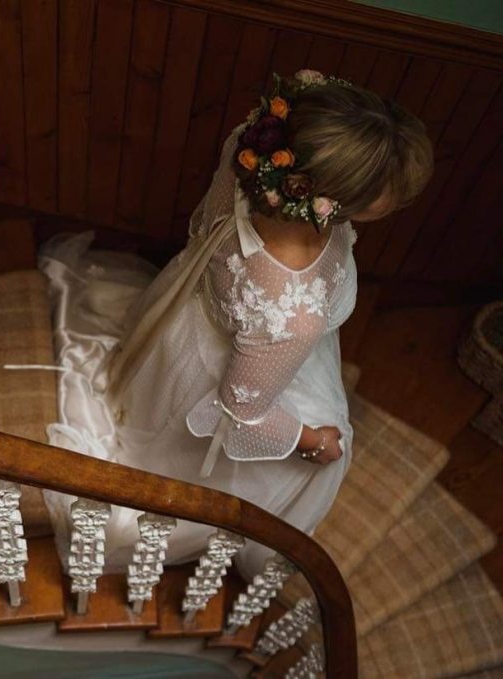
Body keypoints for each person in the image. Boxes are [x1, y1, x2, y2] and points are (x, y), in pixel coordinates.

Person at [38, 69, 435, 580]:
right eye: (389, 194)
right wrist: (312, 442)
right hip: (243, 366)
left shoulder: (249, 153)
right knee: (320, 457)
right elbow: (241, 413)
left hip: (185, 319)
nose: (398, 203)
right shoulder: (293, 312)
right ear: (326, 196)